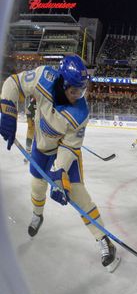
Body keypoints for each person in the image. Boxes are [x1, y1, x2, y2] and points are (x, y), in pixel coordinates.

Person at [0, 55, 119, 271]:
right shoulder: (43, 77)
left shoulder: (80, 112)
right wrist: (8, 109)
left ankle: (103, 239)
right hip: (42, 146)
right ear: (62, 83)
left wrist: (60, 172)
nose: (78, 96)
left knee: (77, 193)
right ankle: (38, 215)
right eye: (74, 90)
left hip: (64, 149)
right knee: (37, 186)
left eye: (82, 91)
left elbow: (71, 146)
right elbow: (14, 82)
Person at [23, 96, 36, 163]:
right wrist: (29, 119)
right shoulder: (33, 101)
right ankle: (28, 153)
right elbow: (27, 110)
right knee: (29, 135)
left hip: (41, 124)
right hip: (33, 123)